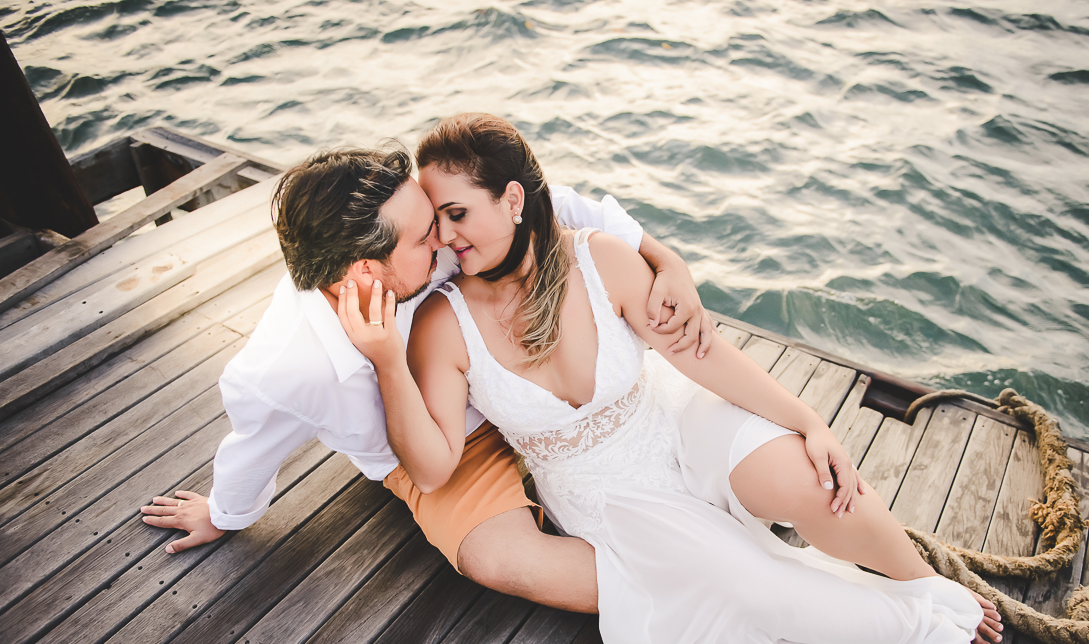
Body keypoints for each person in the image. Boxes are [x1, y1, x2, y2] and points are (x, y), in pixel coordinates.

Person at [344, 113, 1012, 644]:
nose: (445, 237)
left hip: (672, 421)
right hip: (614, 503)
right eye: (437, 220)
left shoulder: (599, 258)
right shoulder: (441, 322)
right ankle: (933, 634)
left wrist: (811, 422)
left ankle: (925, 586)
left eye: (457, 213)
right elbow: (431, 469)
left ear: (512, 200)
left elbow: (704, 357)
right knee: (753, 590)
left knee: (812, 479)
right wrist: (384, 359)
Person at [139, 144, 714, 615]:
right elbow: (254, 443)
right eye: (423, 238)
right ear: (366, 270)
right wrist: (222, 513)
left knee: (683, 396)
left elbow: (545, 203)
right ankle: (689, 592)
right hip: (448, 451)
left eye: (437, 222)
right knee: (500, 559)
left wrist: (667, 261)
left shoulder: (425, 235)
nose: (442, 238)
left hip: (525, 382)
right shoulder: (285, 370)